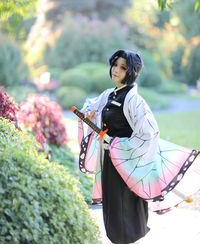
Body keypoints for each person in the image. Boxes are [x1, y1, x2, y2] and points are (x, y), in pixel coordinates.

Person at [77, 49, 200, 244]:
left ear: (132, 72)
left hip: (129, 163)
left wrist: (118, 143)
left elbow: (149, 133)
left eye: (123, 67)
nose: (116, 70)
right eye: (115, 65)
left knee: (126, 209)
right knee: (113, 207)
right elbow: (92, 107)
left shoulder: (135, 100)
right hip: (110, 162)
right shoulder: (109, 94)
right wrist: (90, 113)